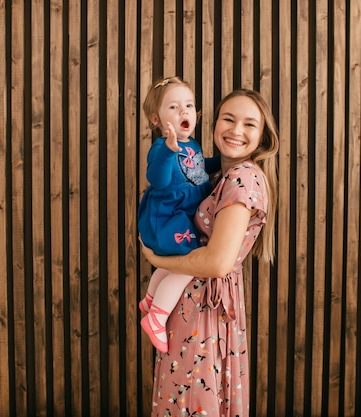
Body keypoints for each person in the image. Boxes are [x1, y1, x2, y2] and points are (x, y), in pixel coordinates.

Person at [140, 89, 279, 417]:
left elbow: (217, 263)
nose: (236, 130)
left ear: (261, 138)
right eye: (228, 119)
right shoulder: (217, 174)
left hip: (207, 312)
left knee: (193, 404)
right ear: (214, 123)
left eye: (249, 124)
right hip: (190, 307)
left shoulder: (243, 179)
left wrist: (156, 260)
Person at [138, 76, 221, 353]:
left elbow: (199, 167)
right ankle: (157, 317)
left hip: (178, 217)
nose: (184, 111)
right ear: (155, 118)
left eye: (188, 105)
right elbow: (158, 179)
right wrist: (168, 152)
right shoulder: (163, 148)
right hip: (165, 216)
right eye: (173, 107)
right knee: (189, 265)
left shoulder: (192, 144)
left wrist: (223, 160)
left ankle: (150, 299)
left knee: (174, 262)